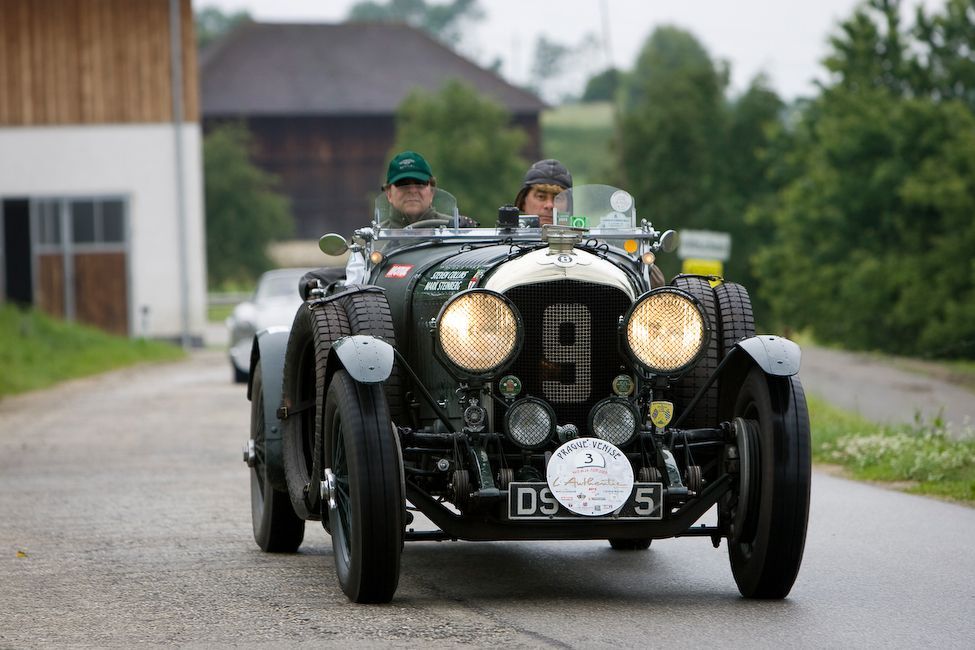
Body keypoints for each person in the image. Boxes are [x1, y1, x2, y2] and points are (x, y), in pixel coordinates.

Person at [381, 150, 453, 228]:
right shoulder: (376, 234)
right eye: (403, 183)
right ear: (389, 194)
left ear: (432, 192)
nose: (412, 190)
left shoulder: (456, 230)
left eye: (420, 182)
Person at [514, 159, 573, 226]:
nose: (549, 205)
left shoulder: (579, 232)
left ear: (568, 206)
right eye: (541, 196)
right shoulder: (506, 232)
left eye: (558, 199)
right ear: (523, 202)